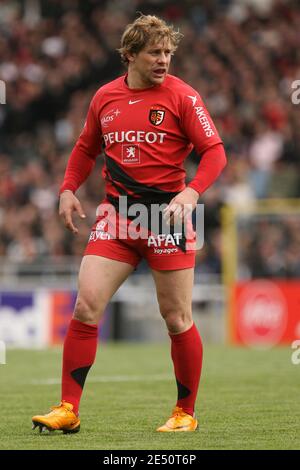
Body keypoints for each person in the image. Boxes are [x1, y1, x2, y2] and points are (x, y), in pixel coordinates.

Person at [32, 14, 226, 434]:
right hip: (117, 218)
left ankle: (184, 413)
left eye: (168, 53)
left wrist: (191, 192)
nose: (164, 60)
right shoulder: (105, 97)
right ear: (130, 55)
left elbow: (214, 152)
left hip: (164, 219)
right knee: (85, 305)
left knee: (176, 318)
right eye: (155, 52)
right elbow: (86, 148)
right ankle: (68, 408)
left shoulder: (183, 97)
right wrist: (67, 188)